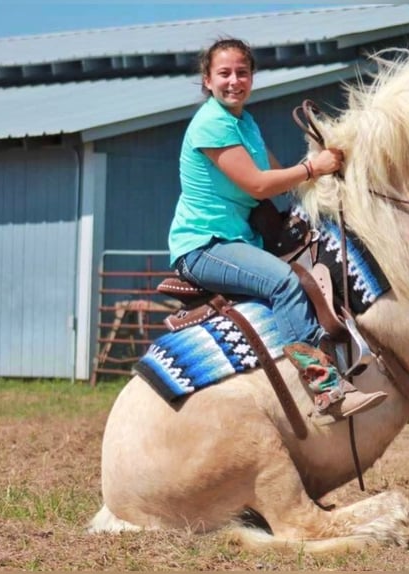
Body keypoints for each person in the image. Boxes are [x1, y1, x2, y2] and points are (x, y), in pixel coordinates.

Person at [168, 37, 387, 418]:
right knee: (284, 282)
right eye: (224, 73)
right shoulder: (212, 125)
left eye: (242, 72)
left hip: (240, 239)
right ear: (207, 80)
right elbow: (257, 184)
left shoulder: (245, 123)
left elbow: (276, 174)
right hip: (204, 246)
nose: (234, 81)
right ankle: (323, 387)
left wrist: (327, 168)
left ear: (252, 77)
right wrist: (313, 168)